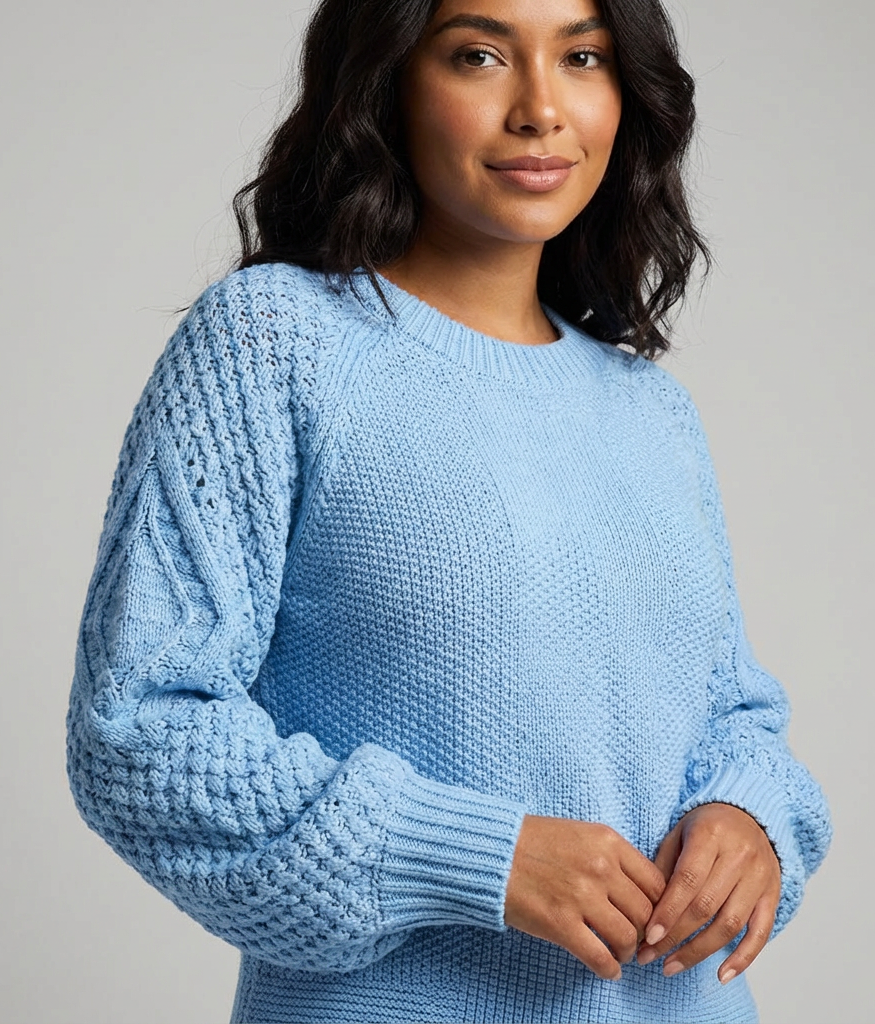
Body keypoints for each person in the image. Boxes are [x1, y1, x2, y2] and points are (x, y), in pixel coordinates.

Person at [65, 0, 832, 1020]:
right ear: (387, 79)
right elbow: (140, 730)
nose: (541, 108)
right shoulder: (274, 343)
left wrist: (750, 813)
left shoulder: (651, 410)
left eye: (583, 56)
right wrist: (479, 857)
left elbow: (729, 712)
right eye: (478, 55)